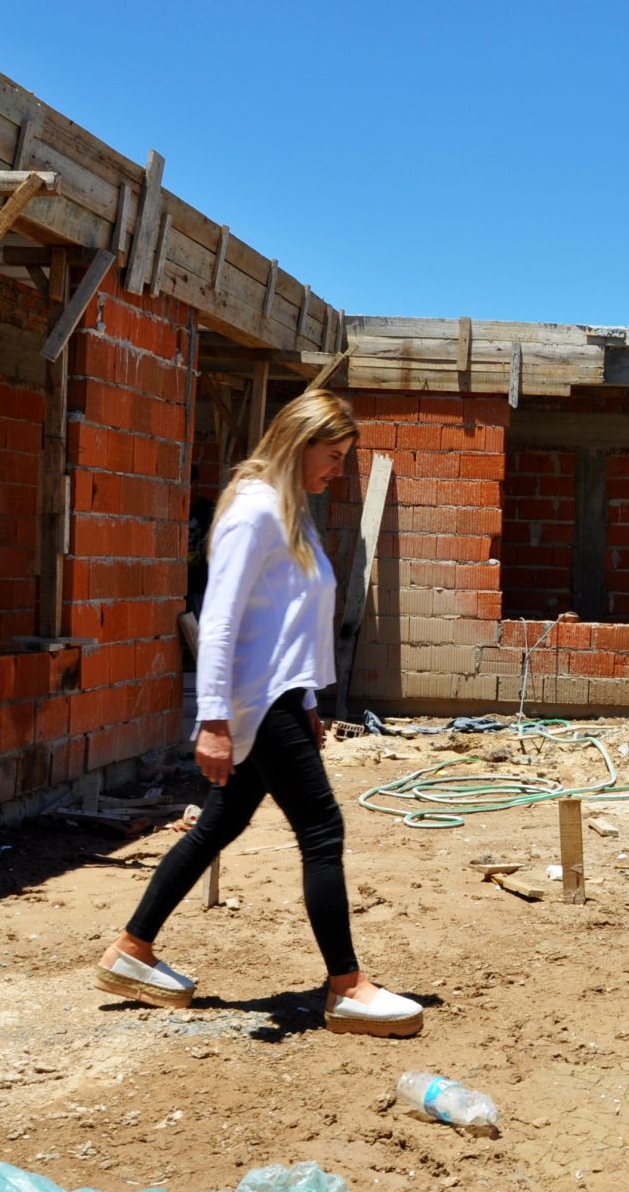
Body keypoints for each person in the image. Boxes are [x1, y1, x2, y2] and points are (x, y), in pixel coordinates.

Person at [95, 389, 424, 1038]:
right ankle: (347, 987)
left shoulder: (289, 510)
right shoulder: (255, 511)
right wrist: (214, 719)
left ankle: (131, 950)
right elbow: (219, 621)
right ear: (300, 444)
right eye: (332, 456)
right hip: (257, 699)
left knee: (219, 823)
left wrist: (309, 701)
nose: (338, 470)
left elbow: (290, 622)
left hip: (280, 696)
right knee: (322, 830)